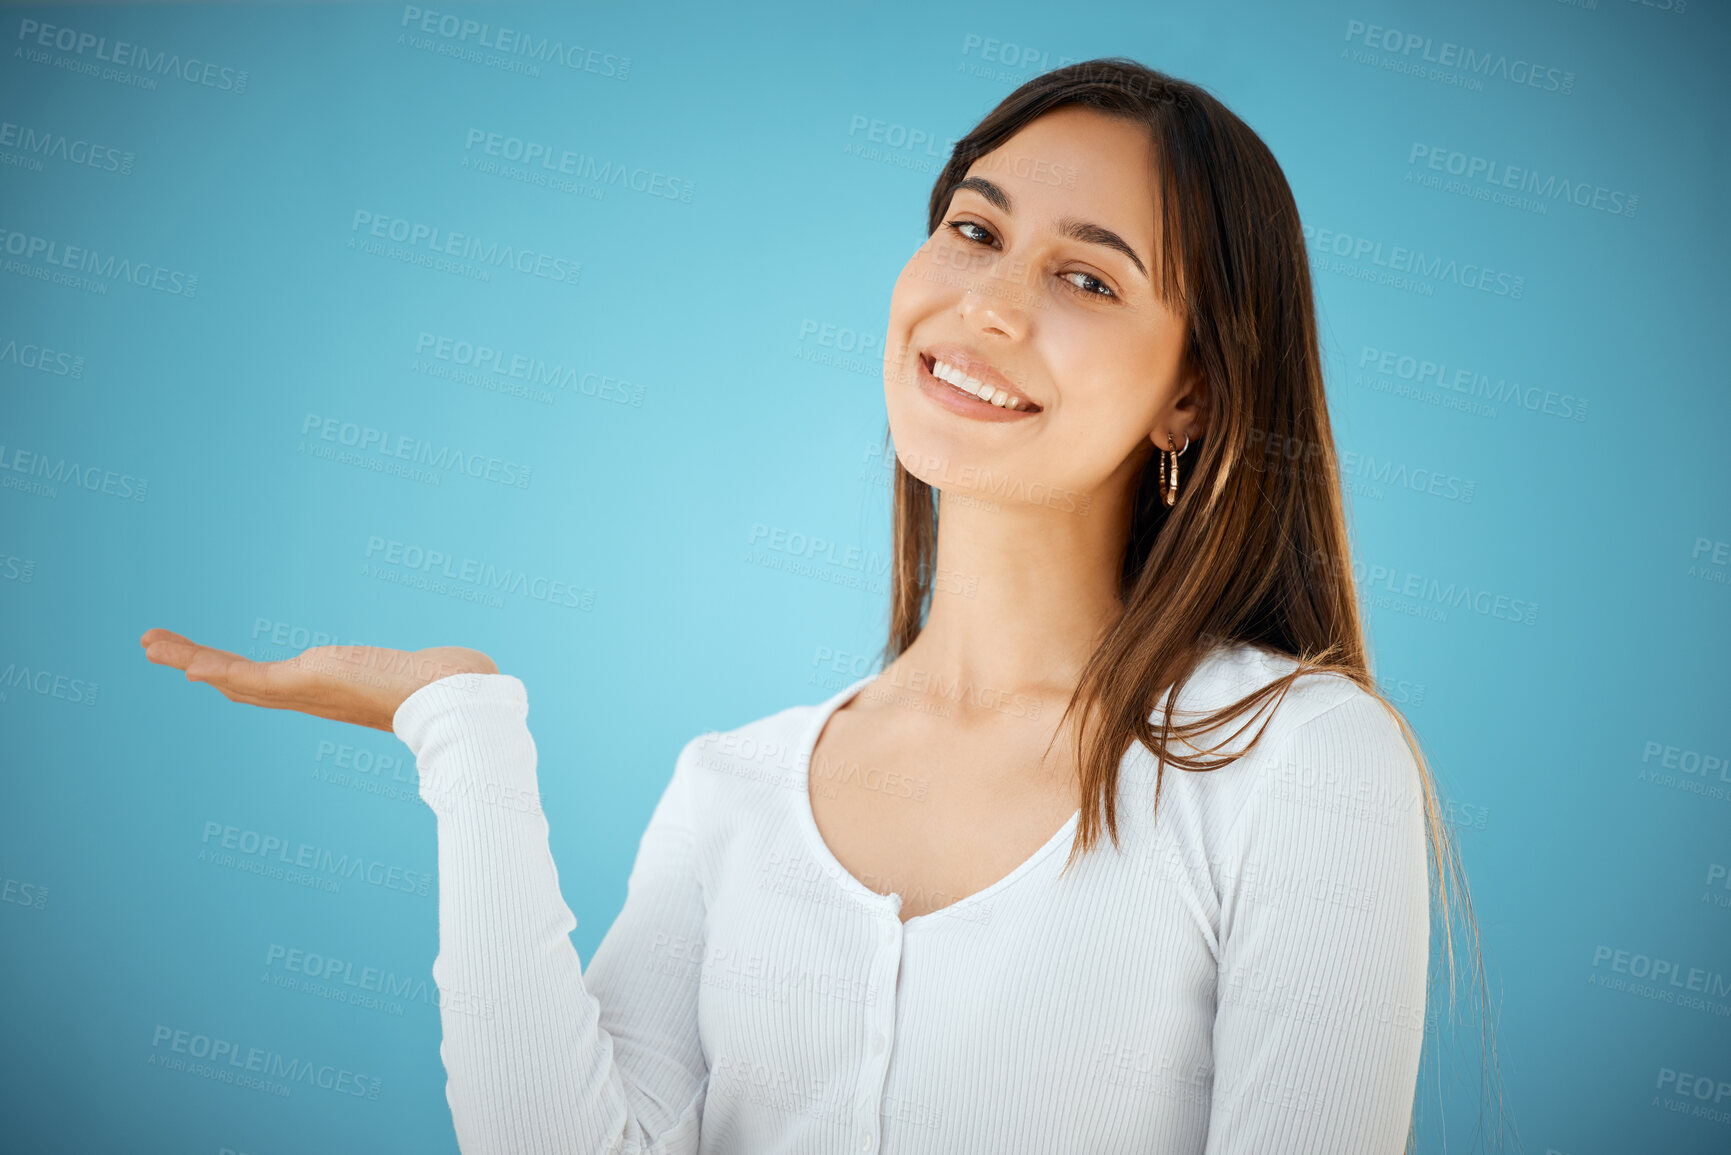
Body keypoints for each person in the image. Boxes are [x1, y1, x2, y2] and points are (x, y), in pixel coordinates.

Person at [141, 58, 1493, 1155]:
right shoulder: (730, 788)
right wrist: (462, 729)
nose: (990, 302)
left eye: (1087, 278)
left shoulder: (1295, 761)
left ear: (1192, 393)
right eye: (974, 230)